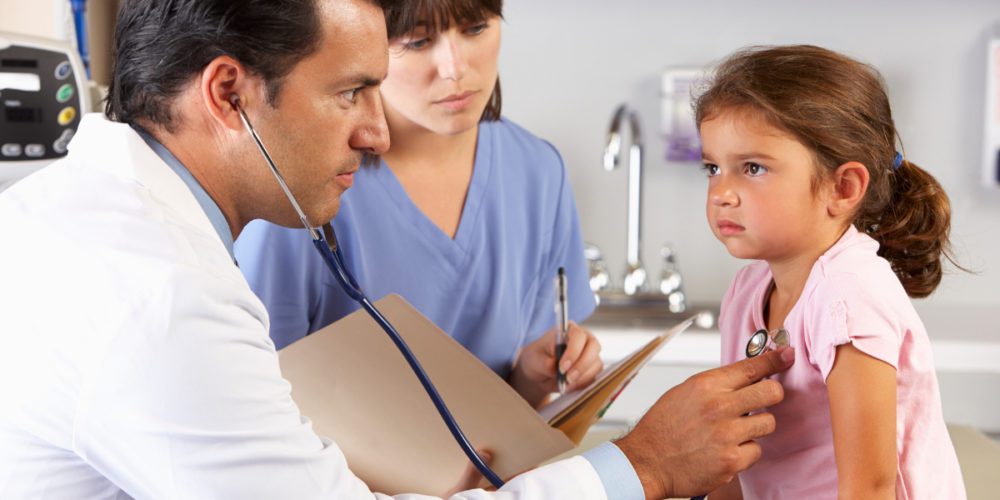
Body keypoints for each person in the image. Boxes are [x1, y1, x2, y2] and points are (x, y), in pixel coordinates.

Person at [0, 0, 792, 498]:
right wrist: (644, 467)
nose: (377, 131)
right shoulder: (164, 302)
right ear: (228, 95)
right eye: (350, 92)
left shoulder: (84, 217)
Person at [235, 0, 600, 407]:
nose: (454, 67)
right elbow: (257, 398)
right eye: (419, 41)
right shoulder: (297, 189)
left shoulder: (538, 172)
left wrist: (534, 376)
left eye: (476, 28)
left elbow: (511, 414)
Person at [696, 45, 966, 499]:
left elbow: (870, 487)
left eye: (754, 167)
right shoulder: (748, 290)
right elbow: (733, 459)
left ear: (843, 188)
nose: (722, 192)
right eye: (713, 167)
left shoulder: (849, 297)